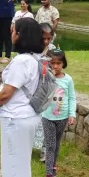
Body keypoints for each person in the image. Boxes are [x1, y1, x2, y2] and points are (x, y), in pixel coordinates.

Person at [0, 18, 44, 177]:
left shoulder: (22, 61)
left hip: (17, 117)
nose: (11, 33)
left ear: (20, 35)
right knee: (15, 160)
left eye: (14, 30)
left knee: (15, 162)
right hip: (24, 116)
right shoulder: (34, 59)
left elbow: (7, 93)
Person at [42, 50, 76, 177]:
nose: (55, 66)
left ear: (63, 64)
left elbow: (72, 97)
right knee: (50, 146)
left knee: (56, 144)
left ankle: (54, 164)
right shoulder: (46, 77)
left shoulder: (68, 80)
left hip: (62, 117)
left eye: (58, 63)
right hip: (47, 116)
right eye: (53, 63)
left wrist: (71, 114)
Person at [34, 23, 56, 162]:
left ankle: (45, 151)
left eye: (49, 38)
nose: (46, 41)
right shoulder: (32, 50)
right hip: (34, 90)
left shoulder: (53, 50)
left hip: (48, 91)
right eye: (43, 38)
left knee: (47, 122)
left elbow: (59, 68)